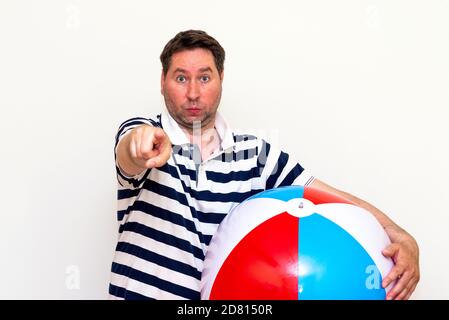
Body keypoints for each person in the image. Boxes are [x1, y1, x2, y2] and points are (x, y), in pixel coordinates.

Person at [110, 30, 419, 300]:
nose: (193, 92)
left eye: (204, 77)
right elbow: (130, 152)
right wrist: (140, 144)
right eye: (181, 78)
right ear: (163, 82)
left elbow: (332, 202)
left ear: (220, 80)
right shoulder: (144, 134)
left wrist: (401, 237)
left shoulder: (256, 155)